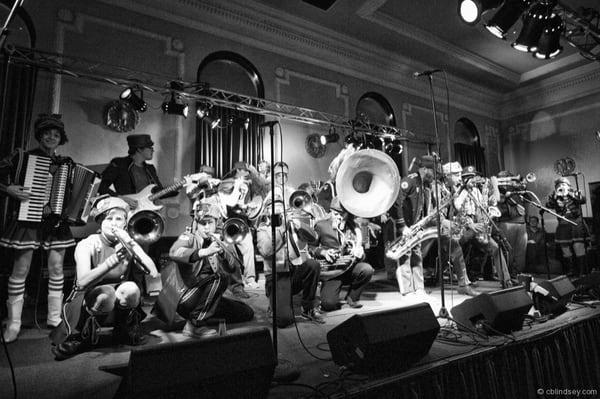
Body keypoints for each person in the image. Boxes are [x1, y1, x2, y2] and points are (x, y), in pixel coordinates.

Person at [51, 197, 160, 360]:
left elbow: (152, 271)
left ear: (125, 223)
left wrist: (130, 242)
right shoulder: (88, 244)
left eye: (119, 219)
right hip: (85, 303)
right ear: (100, 222)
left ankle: (123, 332)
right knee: (106, 293)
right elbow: (82, 282)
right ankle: (83, 337)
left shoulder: (127, 243)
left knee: (131, 289)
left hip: (114, 303)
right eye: (109, 218)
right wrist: (112, 261)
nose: (114, 223)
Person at [0, 114, 75, 343]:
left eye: (56, 134)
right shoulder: (23, 156)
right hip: (27, 221)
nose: (51, 137)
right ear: (39, 135)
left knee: (56, 270)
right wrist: (9, 188)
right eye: (47, 133)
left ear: (60, 138)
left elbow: (71, 193)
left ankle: (54, 318)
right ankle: (14, 323)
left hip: (55, 224)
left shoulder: (66, 163)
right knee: (20, 271)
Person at [153, 202, 254, 337]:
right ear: (196, 223)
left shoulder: (219, 241)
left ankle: (204, 317)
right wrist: (205, 251)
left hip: (206, 297)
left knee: (246, 312)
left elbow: (232, 269)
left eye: (210, 223)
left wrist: (224, 252)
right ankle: (194, 325)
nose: (206, 228)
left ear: (216, 223)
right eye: (203, 223)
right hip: (185, 296)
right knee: (220, 277)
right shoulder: (189, 237)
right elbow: (174, 252)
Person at [256, 196, 324, 327]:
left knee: (312, 265)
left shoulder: (291, 224)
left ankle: (308, 307)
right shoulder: (263, 229)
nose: (278, 210)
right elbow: (266, 251)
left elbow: (313, 237)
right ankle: (274, 305)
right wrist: (282, 229)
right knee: (284, 321)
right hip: (277, 276)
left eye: (281, 207)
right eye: (274, 207)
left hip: (293, 271)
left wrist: (300, 225)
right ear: (267, 211)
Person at [311, 197, 373, 310]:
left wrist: (360, 253)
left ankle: (352, 298)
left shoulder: (354, 228)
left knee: (367, 269)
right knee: (329, 305)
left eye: (342, 214)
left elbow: (361, 256)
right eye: (335, 214)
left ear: (348, 214)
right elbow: (311, 247)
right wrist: (324, 252)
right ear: (331, 212)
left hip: (350, 268)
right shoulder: (321, 226)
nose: (339, 217)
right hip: (332, 272)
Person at [389, 155, 435, 298]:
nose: (434, 175)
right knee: (405, 255)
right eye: (433, 172)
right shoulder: (410, 180)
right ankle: (407, 290)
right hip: (406, 226)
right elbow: (396, 201)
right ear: (426, 169)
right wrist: (402, 226)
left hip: (415, 226)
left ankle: (419, 288)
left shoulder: (422, 184)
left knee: (417, 255)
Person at [98, 134, 177, 208]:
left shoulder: (150, 169)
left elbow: (159, 192)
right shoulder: (119, 164)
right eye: (150, 148)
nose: (153, 150)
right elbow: (100, 186)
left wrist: (176, 188)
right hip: (127, 209)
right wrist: (121, 198)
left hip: (148, 210)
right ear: (139, 149)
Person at [546, 177, 589, 277]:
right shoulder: (554, 196)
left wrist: (569, 194)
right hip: (563, 225)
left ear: (568, 186)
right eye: (558, 185)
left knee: (578, 247)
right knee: (565, 249)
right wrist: (556, 196)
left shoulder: (574, 192)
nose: (561, 186)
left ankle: (582, 273)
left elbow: (583, 200)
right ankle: (570, 271)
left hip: (576, 224)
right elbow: (548, 205)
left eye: (563, 184)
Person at [496, 170, 527, 274]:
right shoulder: (498, 190)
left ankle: (518, 273)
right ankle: (508, 275)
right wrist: (506, 191)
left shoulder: (516, 189)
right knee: (508, 251)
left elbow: (528, 198)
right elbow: (500, 200)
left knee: (521, 251)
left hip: (521, 222)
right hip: (506, 222)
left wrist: (521, 187)